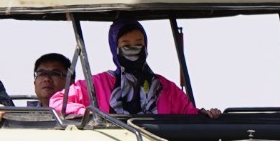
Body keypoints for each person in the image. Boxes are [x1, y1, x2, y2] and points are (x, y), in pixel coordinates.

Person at [50, 19, 221, 117]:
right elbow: (57, 102)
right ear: (115, 48)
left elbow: (189, 114)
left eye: (139, 44)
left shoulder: (164, 88)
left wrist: (208, 115)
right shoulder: (98, 84)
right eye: (126, 45)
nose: (133, 50)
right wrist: (89, 114)